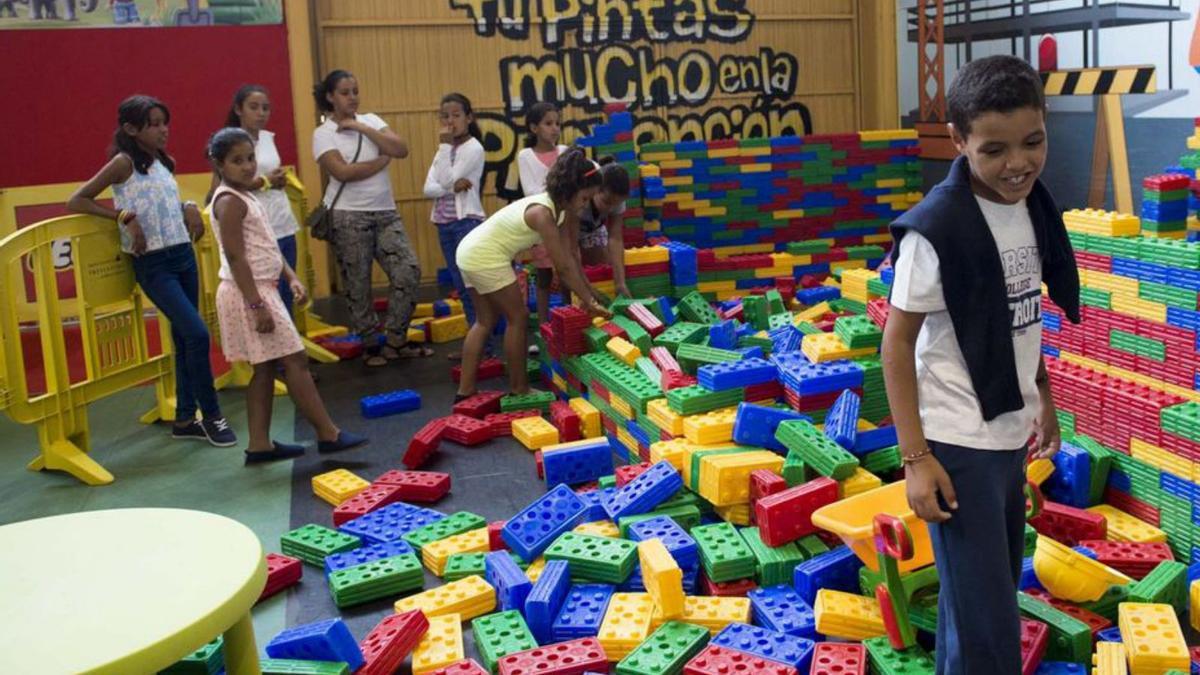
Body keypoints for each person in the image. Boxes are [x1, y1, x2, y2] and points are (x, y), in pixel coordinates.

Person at [880, 55, 1080, 675]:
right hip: (956, 445)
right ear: (959, 142)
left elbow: (1021, 317)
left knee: (977, 603)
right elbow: (894, 348)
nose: (1017, 163)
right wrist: (917, 459)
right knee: (991, 624)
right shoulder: (935, 231)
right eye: (993, 149)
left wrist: (1043, 394)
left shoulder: (1030, 207)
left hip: (1006, 433)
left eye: (1033, 142)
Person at [67, 95, 237, 448]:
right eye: (154, 124)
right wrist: (121, 217)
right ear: (131, 129)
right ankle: (213, 416)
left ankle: (185, 418)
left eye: (165, 122)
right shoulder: (122, 163)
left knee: (183, 337)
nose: (164, 130)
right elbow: (78, 199)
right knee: (198, 333)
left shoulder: (163, 162)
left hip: (182, 255)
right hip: (154, 264)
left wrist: (187, 205)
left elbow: (160, 202)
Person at [207, 128, 366, 463]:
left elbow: (264, 245)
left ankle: (260, 444)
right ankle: (328, 433)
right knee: (295, 360)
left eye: (250, 158)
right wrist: (256, 304)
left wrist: (290, 276)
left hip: (261, 288)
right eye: (237, 161)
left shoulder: (246, 194)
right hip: (248, 293)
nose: (248, 166)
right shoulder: (228, 202)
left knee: (264, 369)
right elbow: (237, 258)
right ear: (219, 165)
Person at [455, 149, 612, 400]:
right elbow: (561, 267)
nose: (584, 206)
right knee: (517, 317)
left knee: (484, 321)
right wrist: (589, 302)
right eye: (584, 198)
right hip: (484, 256)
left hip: (469, 250)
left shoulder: (557, 210)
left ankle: (465, 391)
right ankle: (519, 388)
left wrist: (588, 292)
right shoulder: (543, 214)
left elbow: (570, 256)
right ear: (571, 189)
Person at [312, 69, 431, 367]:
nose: (352, 97)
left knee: (408, 270)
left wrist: (362, 128)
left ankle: (395, 340)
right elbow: (341, 172)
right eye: (344, 92)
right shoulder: (323, 133)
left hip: (385, 212)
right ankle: (369, 344)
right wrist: (381, 161)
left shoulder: (373, 121)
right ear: (329, 96)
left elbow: (401, 149)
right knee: (358, 283)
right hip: (347, 217)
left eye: (355, 91)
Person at [206, 84, 303, 318]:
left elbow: (268, 174)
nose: (261, 113)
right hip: (253, 226)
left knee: (287, 291)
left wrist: (279, 180)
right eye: (254, 107)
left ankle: (287, 340)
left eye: (266, 108)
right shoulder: (229, 143)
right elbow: (221, 188)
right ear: (239, 109)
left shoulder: (269, 138)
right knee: (268, 291)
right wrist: (266, 182)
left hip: (280, 218)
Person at [422, 92, 486, 360]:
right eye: (444, 116)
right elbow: (428, 188)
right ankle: (475, 347)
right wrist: (449, 185)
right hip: (445, 225)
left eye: (456, 116)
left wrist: (444, 148)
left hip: (465, 223)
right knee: (461, 288)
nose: (450, 122)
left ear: (469, 118)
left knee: (472, 288)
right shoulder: (444, 150)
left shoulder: (473, 148)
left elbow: (447, 179)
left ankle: (483, 349)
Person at [516, 102, 568, 333]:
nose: (554, 128)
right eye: (548, 124)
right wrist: (557, 191)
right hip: (541, 223)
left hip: (565, 221)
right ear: (534, 128)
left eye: (557, 123)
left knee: (567, 273)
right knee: (544, 275)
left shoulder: (565, 152)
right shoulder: (525, 155)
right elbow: (530, 191)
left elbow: (570, 186)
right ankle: (545, 326)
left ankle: (569, 321)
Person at [574, 158, 631, 298]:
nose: (611, 208)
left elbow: (615, 238)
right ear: (595, 190)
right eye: (606, 202)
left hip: (593, 228)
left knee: (602, 268)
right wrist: (584, 288)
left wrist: (620, 282)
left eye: (615, 204)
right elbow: (570, 247)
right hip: (568, 230)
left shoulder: (616, 197)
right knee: (571, 274)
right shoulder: (578, 200)